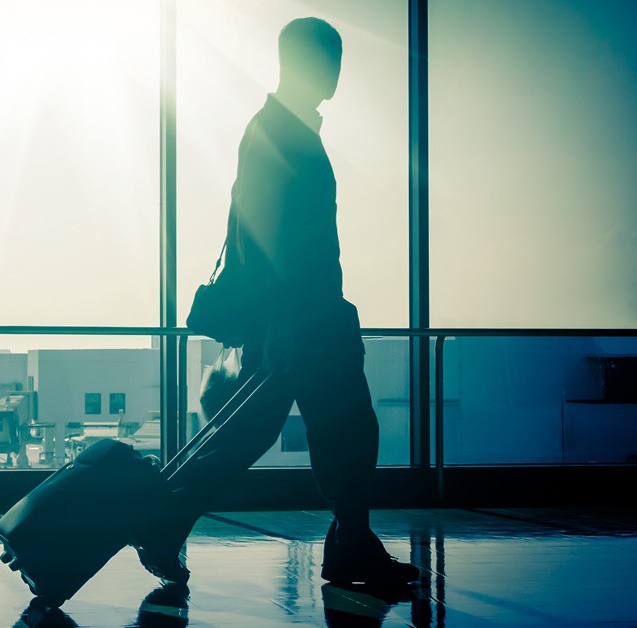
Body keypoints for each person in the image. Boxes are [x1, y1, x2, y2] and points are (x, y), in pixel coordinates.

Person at [134, 17, 420, 589]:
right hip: (305, 318)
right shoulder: (281, 133)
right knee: (335, 431)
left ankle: (345, 543)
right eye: (330, 62)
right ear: (303, 64)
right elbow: (271, 235)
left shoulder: (280, 129)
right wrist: (284, 324)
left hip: (304, 316)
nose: (336, 75)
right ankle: (345, 546)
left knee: (283, 432)